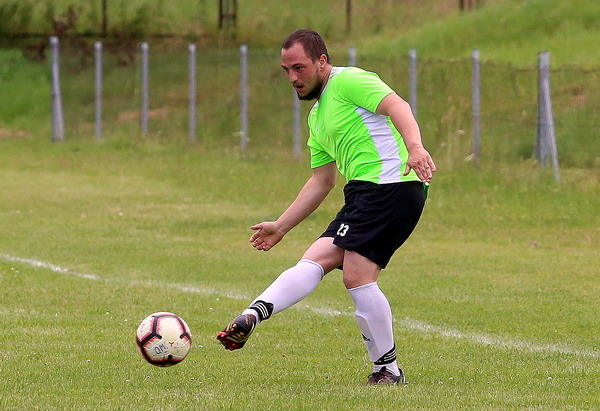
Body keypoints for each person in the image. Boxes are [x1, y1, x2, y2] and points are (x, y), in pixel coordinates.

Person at [217, 29, 436, 385]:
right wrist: (281, 226)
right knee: (315, 259)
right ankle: (252, 315)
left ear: (321, 61)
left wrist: (415, 147)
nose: (293, 77)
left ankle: (387, 370)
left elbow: (398, 105)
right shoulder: (316, 118)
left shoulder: (349, 80)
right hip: (364, 193)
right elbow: (322, 181)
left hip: (390, 184)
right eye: (286, 70)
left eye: (299, 68)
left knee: (357, 276)